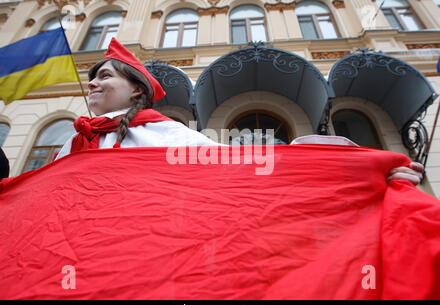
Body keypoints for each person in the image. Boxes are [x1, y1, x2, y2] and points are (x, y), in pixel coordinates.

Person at [55, 38, 424, 185]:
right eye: (92, 78)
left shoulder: (159, 133)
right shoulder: (70, 142)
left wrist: (359, 169)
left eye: (104, 75)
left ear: (136, 87)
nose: (92, 84)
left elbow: (240, 163)